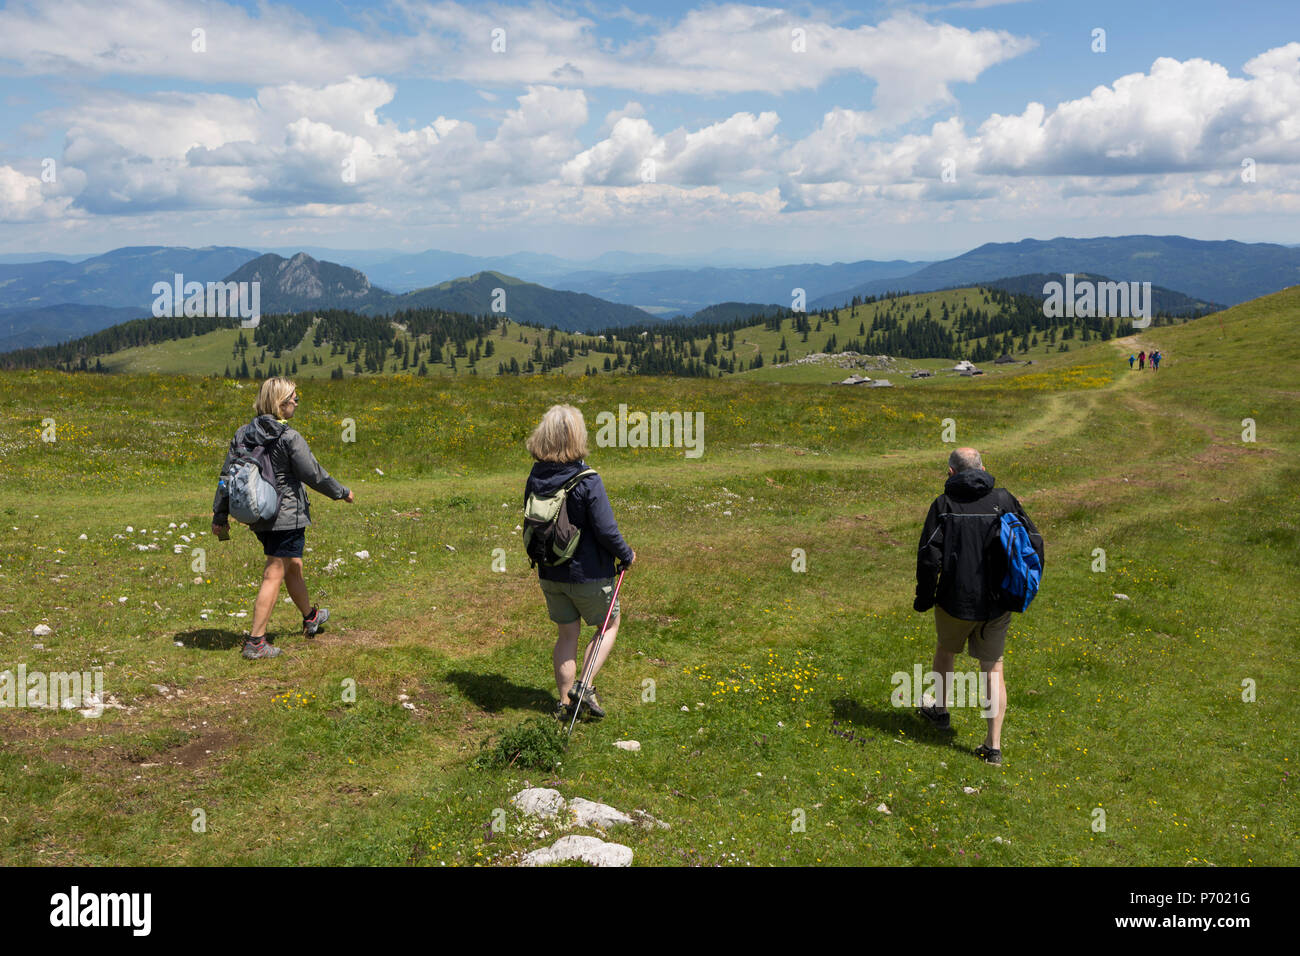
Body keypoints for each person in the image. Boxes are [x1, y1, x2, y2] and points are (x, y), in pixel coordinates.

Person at [913, 448, 1044, 765]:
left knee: (945, 652)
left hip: (953, 601)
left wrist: (924, 597)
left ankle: (940, 712)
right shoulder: (1004, 500)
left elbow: (930, 557)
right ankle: (993, 746)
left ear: (949, 473)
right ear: (984, 468)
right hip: (998, 603)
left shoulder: (943, 505)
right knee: (993, 668)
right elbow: (1033, 541)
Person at [212, 377, 354, 659]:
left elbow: (227, 475)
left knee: (293, 565)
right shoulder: (288, 437)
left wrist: (220, 513)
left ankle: (311, 616)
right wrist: (341, 492)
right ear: (280, 403)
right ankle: (256, 642)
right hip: (286, 515)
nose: (297, 403)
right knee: (275, 571)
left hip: (257, 514)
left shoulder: (243, 433)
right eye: (294, 398)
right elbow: (313, 474)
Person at [524, 404, 635, 720]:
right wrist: (626, 555)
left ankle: (565, 703)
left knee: (566, 635)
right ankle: (584, 686)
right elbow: (606, 530)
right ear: (577, 436)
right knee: (608, 624)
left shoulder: (536, 476)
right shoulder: (588, 479)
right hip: (588, 574)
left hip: (549, 571)